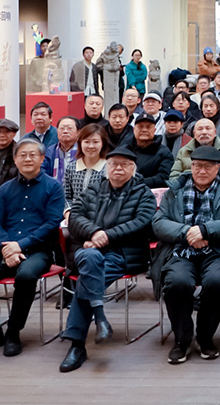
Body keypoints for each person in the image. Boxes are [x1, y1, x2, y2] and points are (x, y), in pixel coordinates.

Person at [57, 146, 157, 372]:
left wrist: (106, 237)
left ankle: (77, 345)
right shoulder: (93, 189)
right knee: (90, 259)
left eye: (124, 165)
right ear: (106, 167)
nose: (118, 168)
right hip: (88, 249)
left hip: (122, 255)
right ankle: (99, 318)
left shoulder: (143, 193)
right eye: (113, 164)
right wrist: (94, 233)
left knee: (88, 276)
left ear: (133, 169)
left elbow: (142, 223)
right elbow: (75, 217)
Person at [0, 139, 65, 357]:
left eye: (32, 155)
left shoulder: (54, 187)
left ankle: (13, 331)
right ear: (15, 159)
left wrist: (20, 245)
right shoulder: (5, 189)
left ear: (42, 159)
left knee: (26, 276)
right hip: (5, 249)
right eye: (22, 155)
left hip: (38, 250)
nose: (27, 159)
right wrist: (7, 248)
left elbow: (51, 224)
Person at [152, 145, 220, 364]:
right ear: (191, 166)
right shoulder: (176, 188)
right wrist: (187, 232)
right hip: (181, 248)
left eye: (207, 167)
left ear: (217, 168)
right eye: (197, 166)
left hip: (218, 249)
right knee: (177, 282)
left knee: (218, 282)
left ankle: (205, 336)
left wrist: (206, 230)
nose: (201, 171)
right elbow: (159, 222)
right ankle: (182, 338)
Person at [63, 124, 109, 214]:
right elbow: (66, 196)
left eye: (95, 142)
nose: (91, 146)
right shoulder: (71, 168)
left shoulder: (108, 169)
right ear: (80, 143)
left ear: (103, 143)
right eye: (87, 142)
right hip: (74, 216)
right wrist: (68, 213)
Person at [127, 113, 175, 188]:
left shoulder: (164, 152)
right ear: (134, 129)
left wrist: (139, 182)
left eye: (148, 127)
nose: (144, 130)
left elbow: (164, 177)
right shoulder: (126, 149)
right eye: (140, 126)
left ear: (154, 130)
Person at [41, 117, 80, 184]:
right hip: (55, 188)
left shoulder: (83, 151)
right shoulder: (50, 151)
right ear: (57, 131)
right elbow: (43, 171)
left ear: (78, 132)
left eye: (69, 128)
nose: (65, 131)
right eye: (62, 128)